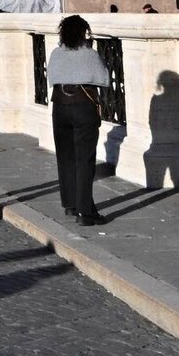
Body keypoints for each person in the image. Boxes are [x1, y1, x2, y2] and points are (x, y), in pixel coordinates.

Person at [48, 14, 112, 226]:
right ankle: (85, 211)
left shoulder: (56, 53)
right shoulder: (90, 54)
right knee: (84, 160)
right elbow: (104, 79)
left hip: (60, 107)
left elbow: (51, 78)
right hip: (83, 108)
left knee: (65, 157)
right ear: (84, 33)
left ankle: (70, 204)